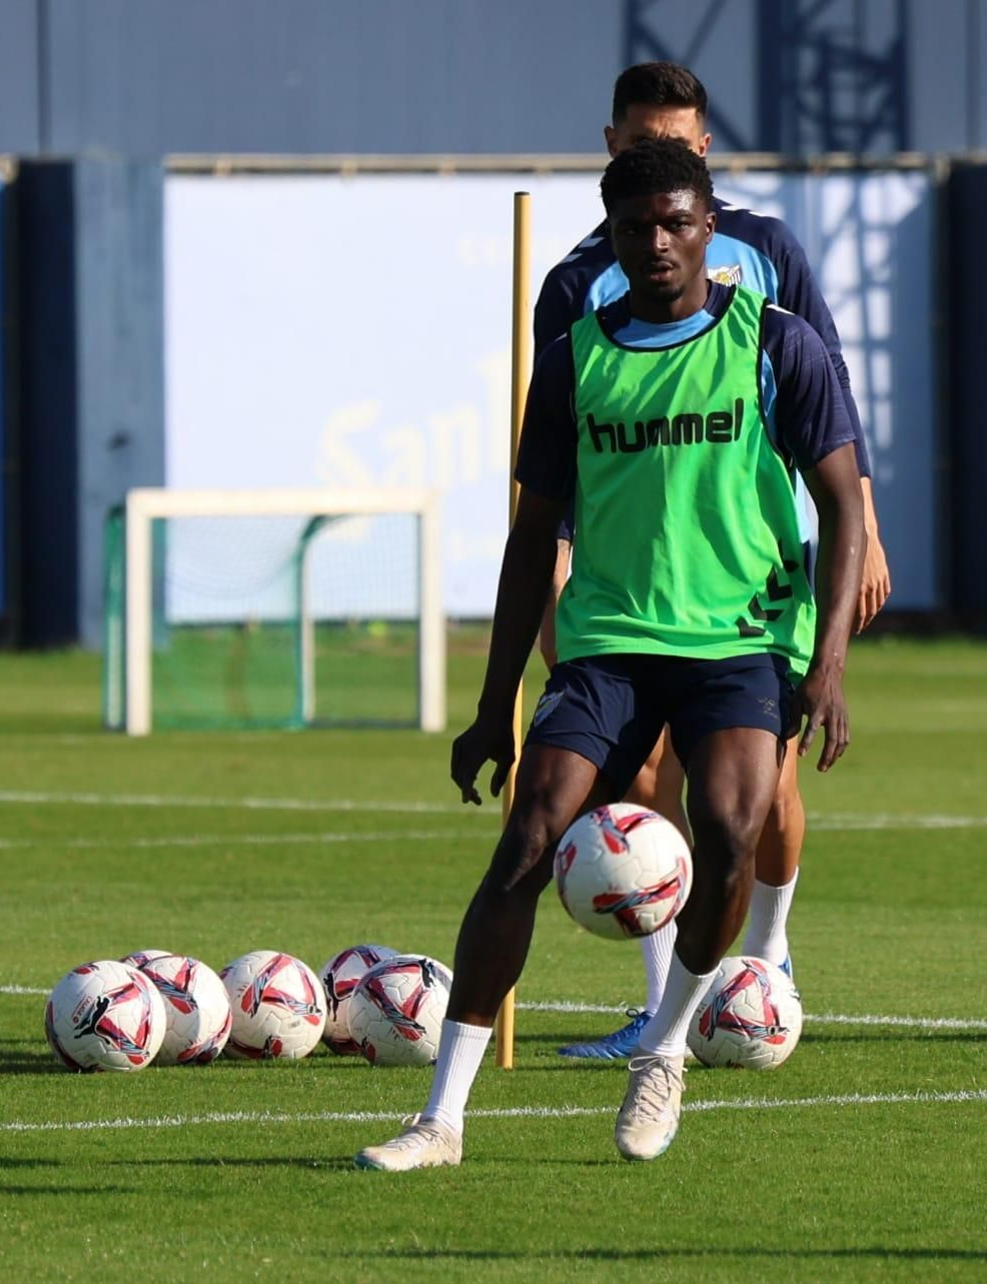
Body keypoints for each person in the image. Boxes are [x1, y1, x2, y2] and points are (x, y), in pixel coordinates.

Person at [355, 138, 864, 1170]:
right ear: (614, 236)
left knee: (726, 829)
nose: (659, 243)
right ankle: (440, 1117)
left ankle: (664, 1051)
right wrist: (492, 702)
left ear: (707, 225)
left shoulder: (776, 344)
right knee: (528, 838)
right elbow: (530, 533)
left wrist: (830, 663)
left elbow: (843, 503)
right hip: (606, 643)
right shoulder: (576, 357)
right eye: (638, 227)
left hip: (738, 641)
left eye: (677, 222)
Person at [536, 63, 890, 1060]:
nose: (667, 160)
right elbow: (559, 459)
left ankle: (766, 962)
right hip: (630, 589)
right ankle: (663, 1013)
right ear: (611, 145)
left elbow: (827, 395)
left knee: (760, 789)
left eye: (685, 147)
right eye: (646, 142)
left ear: (705, 150)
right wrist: (554, 591)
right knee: (643, 782)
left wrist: (864, 524)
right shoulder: (574, 282)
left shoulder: (766, 249)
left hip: (750, 587)